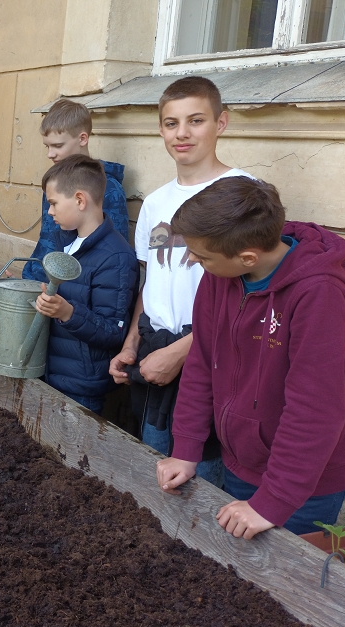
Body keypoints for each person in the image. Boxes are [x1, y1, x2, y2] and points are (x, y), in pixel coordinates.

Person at [157, 177, 345, 538]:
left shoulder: (319, 296)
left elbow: (314, 410)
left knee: (284, 573)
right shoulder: (221, 275)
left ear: (248, 257)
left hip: (304, 487)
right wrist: (186, 448)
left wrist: (272, 501)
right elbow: (202, 363)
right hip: (242, 461)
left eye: (202, 256)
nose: (192, 260)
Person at [109, 76, 251, 486]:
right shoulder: (155, 202)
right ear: (160, 129)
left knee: (201, 475)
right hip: (154, 351)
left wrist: (181, 353)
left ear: (221, 123)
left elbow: (248, 297)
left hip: (211, 354)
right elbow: (151, 282)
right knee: (155, 464)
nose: (182, 133)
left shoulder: (242, 195)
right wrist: (131, 344)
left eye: (196, 120)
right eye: (171, 123)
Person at [32, 155, 138, 413]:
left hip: (83, 385)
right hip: (55, 370)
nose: (50, 211)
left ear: (80, 200)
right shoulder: (66, 242)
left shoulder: (116, 258)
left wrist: (68, 313)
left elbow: (113, 331)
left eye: (53, 203)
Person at [22, 99, 129, 283]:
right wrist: (29, 275)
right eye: (47, 146)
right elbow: (47, 238)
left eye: (58, 146)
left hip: (71, 290)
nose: (50, 154)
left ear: (82, 139)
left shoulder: (109, 189)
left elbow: (113, 254)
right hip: (39, 280)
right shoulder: (55, 182)